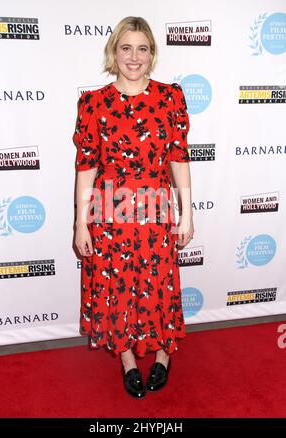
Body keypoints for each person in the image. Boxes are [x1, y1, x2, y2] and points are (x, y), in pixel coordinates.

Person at [73, 16, 194, 399]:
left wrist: (187, 212)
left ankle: (162, 355)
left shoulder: (170, 97)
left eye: (143, 48)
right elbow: (87, 166)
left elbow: (179, 158)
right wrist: (80, 223)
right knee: (116, 289)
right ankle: (127, 360)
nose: (134, 56)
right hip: (109, 214)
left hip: (157, 211)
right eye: (126, 47)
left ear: (152, 53)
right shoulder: (93, 103)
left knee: (159, 287)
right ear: (114, 52)